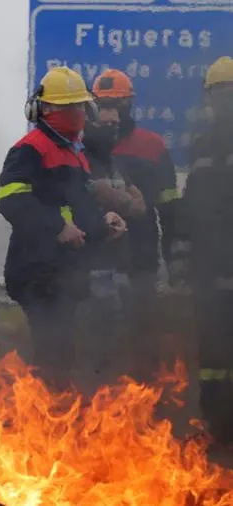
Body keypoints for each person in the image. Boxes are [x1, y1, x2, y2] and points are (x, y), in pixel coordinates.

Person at [0, 66, 127, 391]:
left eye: (82, 106)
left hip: (64, 272)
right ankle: (40, 420)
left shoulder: (74, 153)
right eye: (72, 107)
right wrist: (57, 226)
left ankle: (53, 417)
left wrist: (103, 223)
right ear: (48, 110)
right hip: (38, 270)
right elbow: (10, 199)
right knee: (51, 353)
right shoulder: (30, 148)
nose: (79, 114)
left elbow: (78, 210)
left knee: (63, 353)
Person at [91, 69, 179, 381]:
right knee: (99, 344)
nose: (111, 113)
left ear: (131, 105)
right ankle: (100, 410)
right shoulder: (84, 148)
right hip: (97, 261)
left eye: (118, 104)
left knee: (144, 339)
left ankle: (147, 409)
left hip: (141, 260)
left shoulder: (152, 146)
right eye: (103, 105)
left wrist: (175, 261)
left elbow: (169, 210)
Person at [172, 55, 233, 446]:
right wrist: (181, 258)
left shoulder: (203, 144)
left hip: (212, 270)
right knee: (212, 359)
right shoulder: (202, 145)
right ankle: (219, 430)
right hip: (209, 273)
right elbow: (191, 207)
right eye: (219, 94)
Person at [78, 103, 147, 376]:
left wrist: (120, 200)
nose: (112, 131)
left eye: (115, 125)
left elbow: (140, 205)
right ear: (90, 126)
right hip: (92, 266)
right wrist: (123, 201)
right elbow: (101, 194)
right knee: (93, 343)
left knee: (119, 341)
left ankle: (111, 403)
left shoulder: (115, 164)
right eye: (105, 125)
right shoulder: (80, 159)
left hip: (120, 265)